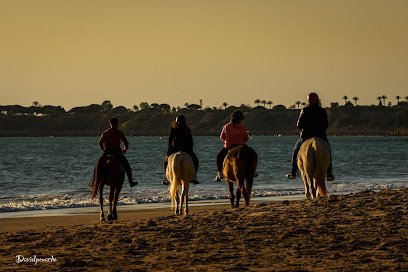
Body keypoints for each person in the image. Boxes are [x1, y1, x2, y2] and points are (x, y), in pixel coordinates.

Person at [287, 92, 335, 181]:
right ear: (318, 100)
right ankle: (329, 173)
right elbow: (326, 125)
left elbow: (299, 125)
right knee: (328, 150)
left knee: (295, 151)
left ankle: (293, 172)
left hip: (306, 136)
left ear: (308, 100)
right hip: (320, 136)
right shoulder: (322, 110)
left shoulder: (305, 110)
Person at [97, 117, 138, 187]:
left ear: (110, 123)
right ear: (117, 124)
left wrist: (104, 150)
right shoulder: (119, 132)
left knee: (98, 165)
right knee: (127, 166)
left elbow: (100, 143)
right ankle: (131, 181)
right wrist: (124, 149)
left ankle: (95, 179)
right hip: (117, 153)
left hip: (107, 152)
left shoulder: (106, 132)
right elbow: (126, 143)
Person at [163, 115, 200, 185]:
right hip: (184, 150)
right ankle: (194, 177)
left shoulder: (177, 129)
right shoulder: (180, 129)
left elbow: (170, 141)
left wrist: (169, 151)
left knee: (165, 162)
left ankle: (167, 178)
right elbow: (190, 141)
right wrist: (190, 149)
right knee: (196, 161)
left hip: (177, 149)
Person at [214, 110, 249, 181]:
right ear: (240, 119)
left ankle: (220, 174)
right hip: (241, 146)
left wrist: (226, 142)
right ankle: (253, 171)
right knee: (250, 155)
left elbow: (222, 137)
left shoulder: (226, 126)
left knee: (219, 156)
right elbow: (246, 138)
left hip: (229, 146)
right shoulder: (242, 127)